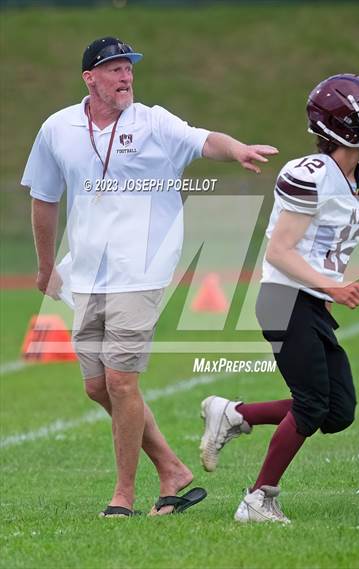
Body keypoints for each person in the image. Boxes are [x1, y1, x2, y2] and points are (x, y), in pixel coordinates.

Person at [21, 36, 278, 517]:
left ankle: (123, 496)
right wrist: (45, 266)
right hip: (87, 272)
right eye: (115, 69)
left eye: (129, 68)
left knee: (121, 382)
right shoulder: (58, 128)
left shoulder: (154, 122)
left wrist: (238, 149)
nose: (126, 76)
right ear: (90, 78)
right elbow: (44, 198)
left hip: (142, 270)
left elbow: (205, 140)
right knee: (97, 387)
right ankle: (172, 469)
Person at [199, 74, 359, 523]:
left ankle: (234, 414)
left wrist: (327, 287)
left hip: (310, 301)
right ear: (339, 125)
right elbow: (279, 251)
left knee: (337, 411)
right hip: (283, 298)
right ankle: (258, 499)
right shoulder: (310, 174)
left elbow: (329, 244)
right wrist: (331, 286)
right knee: (310, 404)